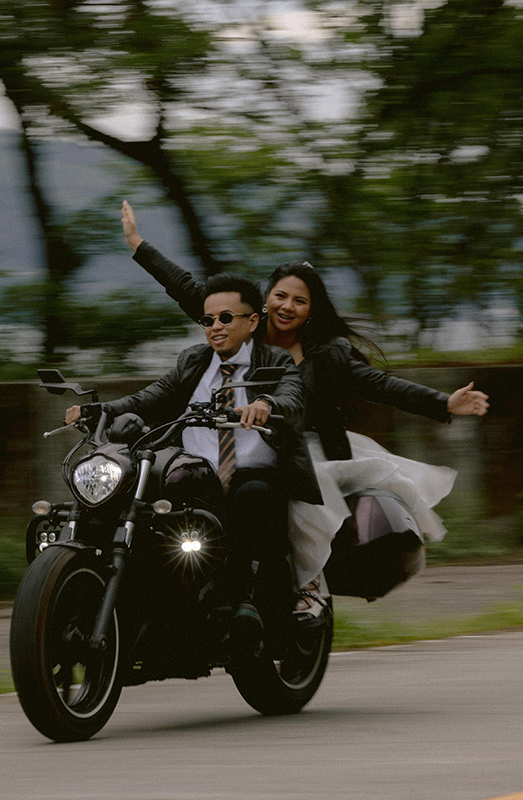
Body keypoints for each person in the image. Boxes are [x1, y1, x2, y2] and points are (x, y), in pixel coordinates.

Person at [120, 200, 490, 625]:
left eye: (300, 300)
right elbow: (187, 289)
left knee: (304, 489)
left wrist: (443, 402)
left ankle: (311, 585)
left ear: (311, 309)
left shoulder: (328, 354)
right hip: (237, 443)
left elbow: (381, 385)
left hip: (305, 445)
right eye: (280, 295)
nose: (287, 306)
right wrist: (138, 244)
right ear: (265, 300)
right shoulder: (241, 329)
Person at [64, 273, 322, 649]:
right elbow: (151, 396)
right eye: (208, 319)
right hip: (195, 475)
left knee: (252, 495)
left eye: (226, 318)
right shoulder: (194, 361)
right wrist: (101, 410)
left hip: (253, 475)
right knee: (137, 505)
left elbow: (292, 395)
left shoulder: (274, 360)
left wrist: (267, 404)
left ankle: (244, 601)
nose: (215, 326)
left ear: (253, 321)